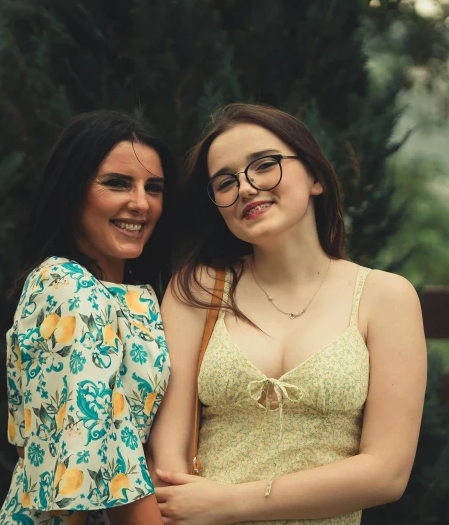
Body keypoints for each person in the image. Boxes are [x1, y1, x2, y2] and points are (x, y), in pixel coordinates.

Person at [148, 103, 427, 524]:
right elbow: (169, 464)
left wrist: (228, 503)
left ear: (315, 176)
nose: (245, 187)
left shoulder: (384, 297)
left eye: (264, 165)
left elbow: (387, 473)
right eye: (225, 182)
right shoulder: (198, 289)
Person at [0, 110, 175, 525]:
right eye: (117, 183)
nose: (141, 203)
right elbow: (96, 443)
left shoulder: (135, 296)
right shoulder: (65, 284)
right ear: (72, 190)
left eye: (155, 187)